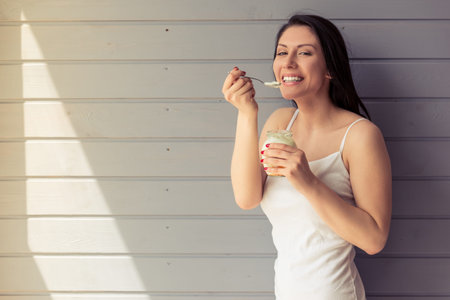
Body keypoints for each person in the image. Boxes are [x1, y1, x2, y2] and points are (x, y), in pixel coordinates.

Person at [221, 14, 391, 299]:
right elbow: (246, 197)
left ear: (330, 69)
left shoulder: (360, 136)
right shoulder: (280, 122)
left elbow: (373, 240)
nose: (288, 62)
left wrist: (308, 181)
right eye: (282, 52)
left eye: (304, 53)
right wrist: (247, 113)